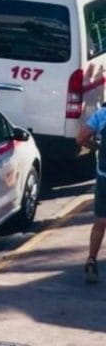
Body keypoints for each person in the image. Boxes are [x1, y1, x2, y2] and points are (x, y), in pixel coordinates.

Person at [77, 105, 106, 283]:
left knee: (100, 221)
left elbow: (81, 138)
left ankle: (91, 260)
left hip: (104, 176)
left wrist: (97, 147)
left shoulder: (102, 114)